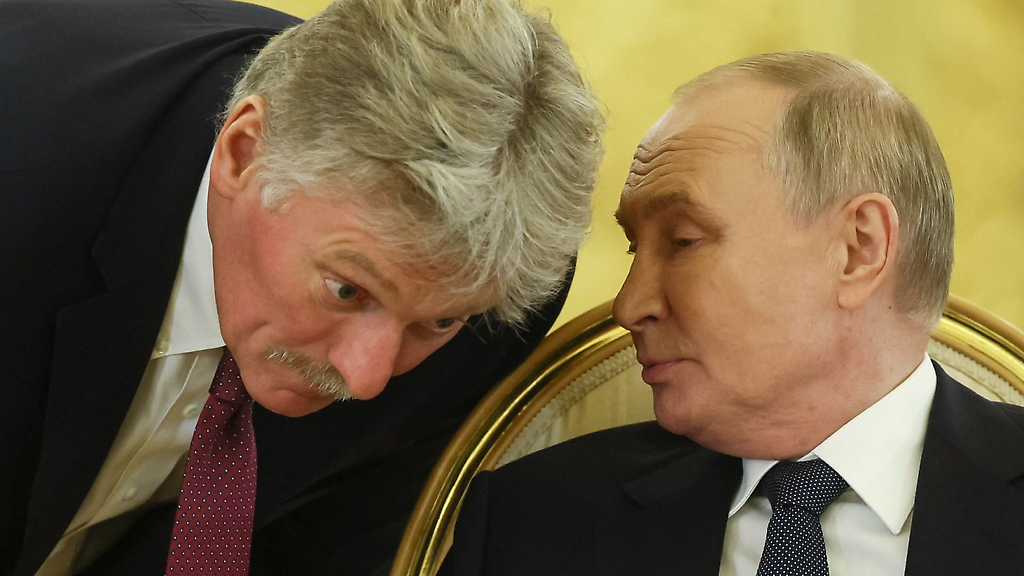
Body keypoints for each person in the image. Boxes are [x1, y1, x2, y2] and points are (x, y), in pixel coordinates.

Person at [0, 0, 604, 574]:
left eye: (438, 322)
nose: (367, 378)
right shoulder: (26, 172)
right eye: (347, 290)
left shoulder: (490, 299)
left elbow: (320, 553)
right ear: (243, 155)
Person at [438, 51, 1024, 576]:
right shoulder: (530, 523)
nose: (629, 307)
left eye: (683, 241)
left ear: (857, 249)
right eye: (634, 248)